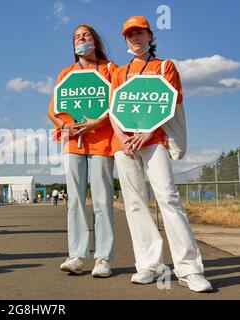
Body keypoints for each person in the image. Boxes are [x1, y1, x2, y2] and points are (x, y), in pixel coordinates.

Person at [109, 16, 212, 292]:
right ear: (125, 40)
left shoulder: (164, 67)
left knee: (168, 198)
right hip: (124, 145)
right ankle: (149, 265)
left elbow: (170, 103)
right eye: (129, 35)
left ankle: (189, 269)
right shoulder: (119, 72)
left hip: (155, 141)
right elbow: (114, 109)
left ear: (150, 36)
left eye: (139, 33)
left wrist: (146, 131)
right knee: (134, 204)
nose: (135, 38)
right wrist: (123, 138)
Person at [47, 24, 118, 277]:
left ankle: (103, 258)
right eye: (77, 36)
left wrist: (96, 123)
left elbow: (118, 104)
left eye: (86, 35)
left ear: (95, 40)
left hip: (102, 141)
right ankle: (77, 255)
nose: (81, 39)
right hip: (72, 142)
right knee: (75, 200)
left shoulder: (111, 69)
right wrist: (66, 125)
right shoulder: (66, 72)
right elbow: (51, 110)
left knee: (101, 199)